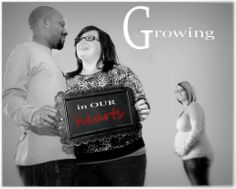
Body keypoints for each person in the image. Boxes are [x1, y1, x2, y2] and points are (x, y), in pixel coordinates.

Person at [64, 25, 150, 186]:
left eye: (89, 38)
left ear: (104, 45)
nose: (82, 42)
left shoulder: (120, 72)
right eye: (78, 40)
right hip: (82, 164)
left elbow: (140, 99)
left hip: (126, 158)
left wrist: (142, 108)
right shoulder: (65, 81)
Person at [3, 6, 79, 186]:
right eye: (61, 24)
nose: (65, 30)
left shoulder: (51, 62)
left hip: (65, 157)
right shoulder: (25, 51)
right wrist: (33, 115)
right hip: (45, 161)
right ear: (45, 22)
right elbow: (9, 96)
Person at [174, 81, 213, 185]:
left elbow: (197, 130)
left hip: (196, 157)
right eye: (177, 91)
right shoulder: (186, 110)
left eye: (182, 90)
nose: (179, 92)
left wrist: (183, 149)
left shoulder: (193, 106)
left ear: (189, 91)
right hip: (190, 157)